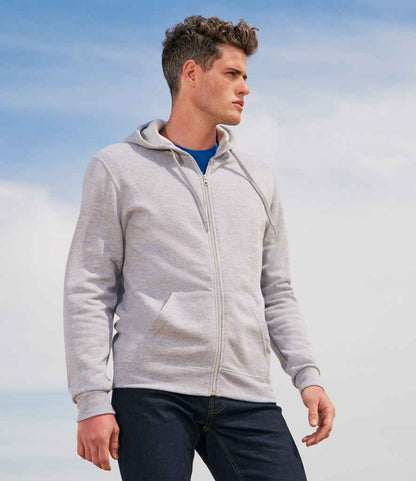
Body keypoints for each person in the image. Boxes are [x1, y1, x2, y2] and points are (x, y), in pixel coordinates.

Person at [63, 14, 336, 480]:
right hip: (152, 392)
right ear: (191, 73)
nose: (245, 87)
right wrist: (91, 399)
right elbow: (89, 288)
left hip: (246, 392)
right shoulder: (117, 168)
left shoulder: (257, 180)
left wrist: (307, 376)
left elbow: (277, 291)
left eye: (245, 75)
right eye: (232, 74)